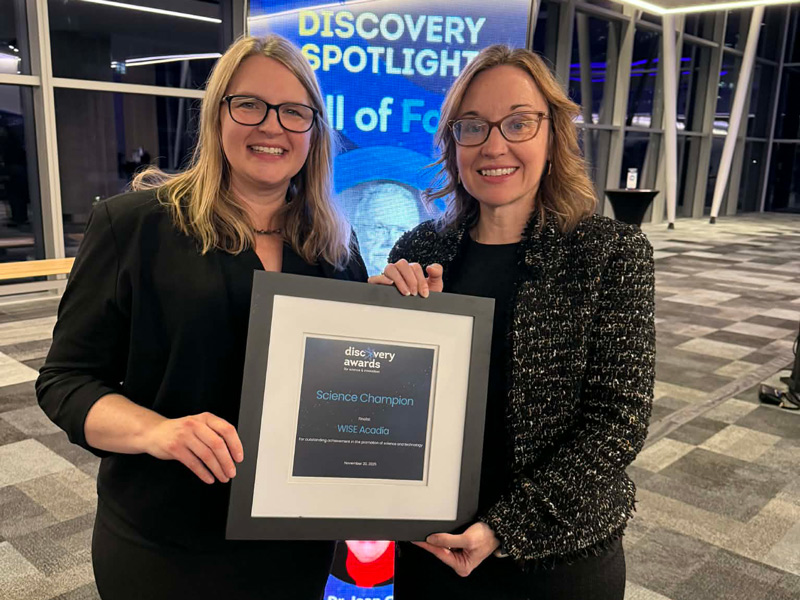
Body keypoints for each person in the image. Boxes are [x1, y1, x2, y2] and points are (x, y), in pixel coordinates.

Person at [36, 34, 367, 600]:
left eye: (294, 112)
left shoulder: (333, 248)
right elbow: (65, 382)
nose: (272, 126)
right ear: (217, 115)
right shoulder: (136, 225)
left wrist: (396, 311)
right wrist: (157, 431)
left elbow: (346, 384)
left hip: (293, 542)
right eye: (249, 105)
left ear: (314, 132)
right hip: (164, 542)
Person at [370, 44, 655, 599]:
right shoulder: (420, 248)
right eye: (472, 126)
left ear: (552, 137)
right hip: (432, 543)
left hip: (557, 556)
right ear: (453, 144)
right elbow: (389, 404)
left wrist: (504, 529)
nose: (494, 144)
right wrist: (373, 335)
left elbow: (617, 422)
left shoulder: (609, 253)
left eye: (519, 123)